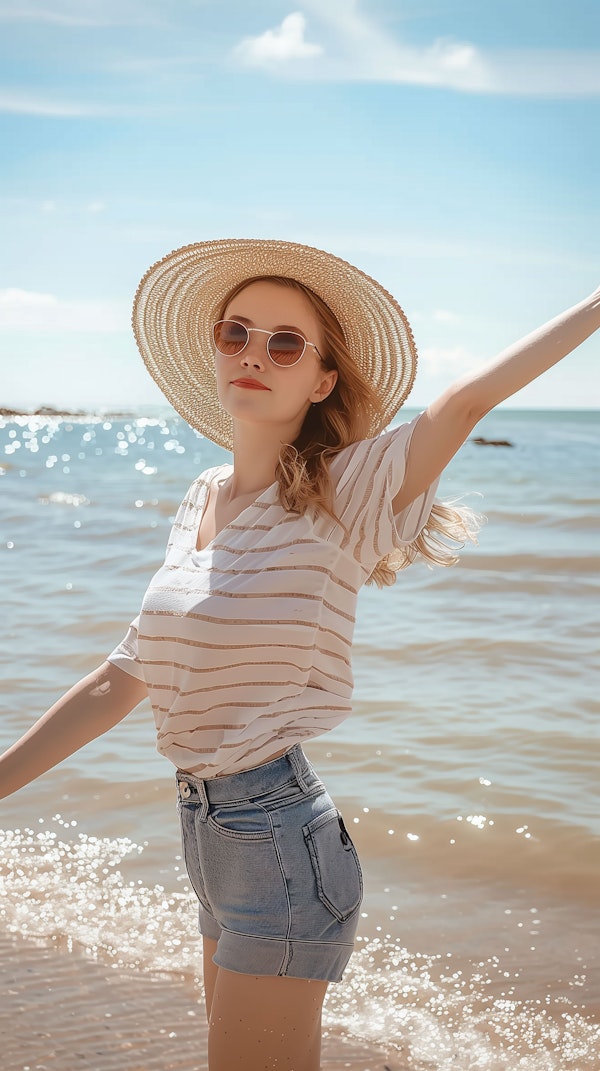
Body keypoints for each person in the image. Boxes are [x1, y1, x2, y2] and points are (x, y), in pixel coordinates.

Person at [1, 238, 598, 1071]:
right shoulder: (202, 497)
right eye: (236, 332)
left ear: (322, 379)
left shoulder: (346, 488)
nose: (255, 353)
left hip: (277, 836)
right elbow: (120, 676)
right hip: (207, 830)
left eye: (286, 342)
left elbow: (462, 407)